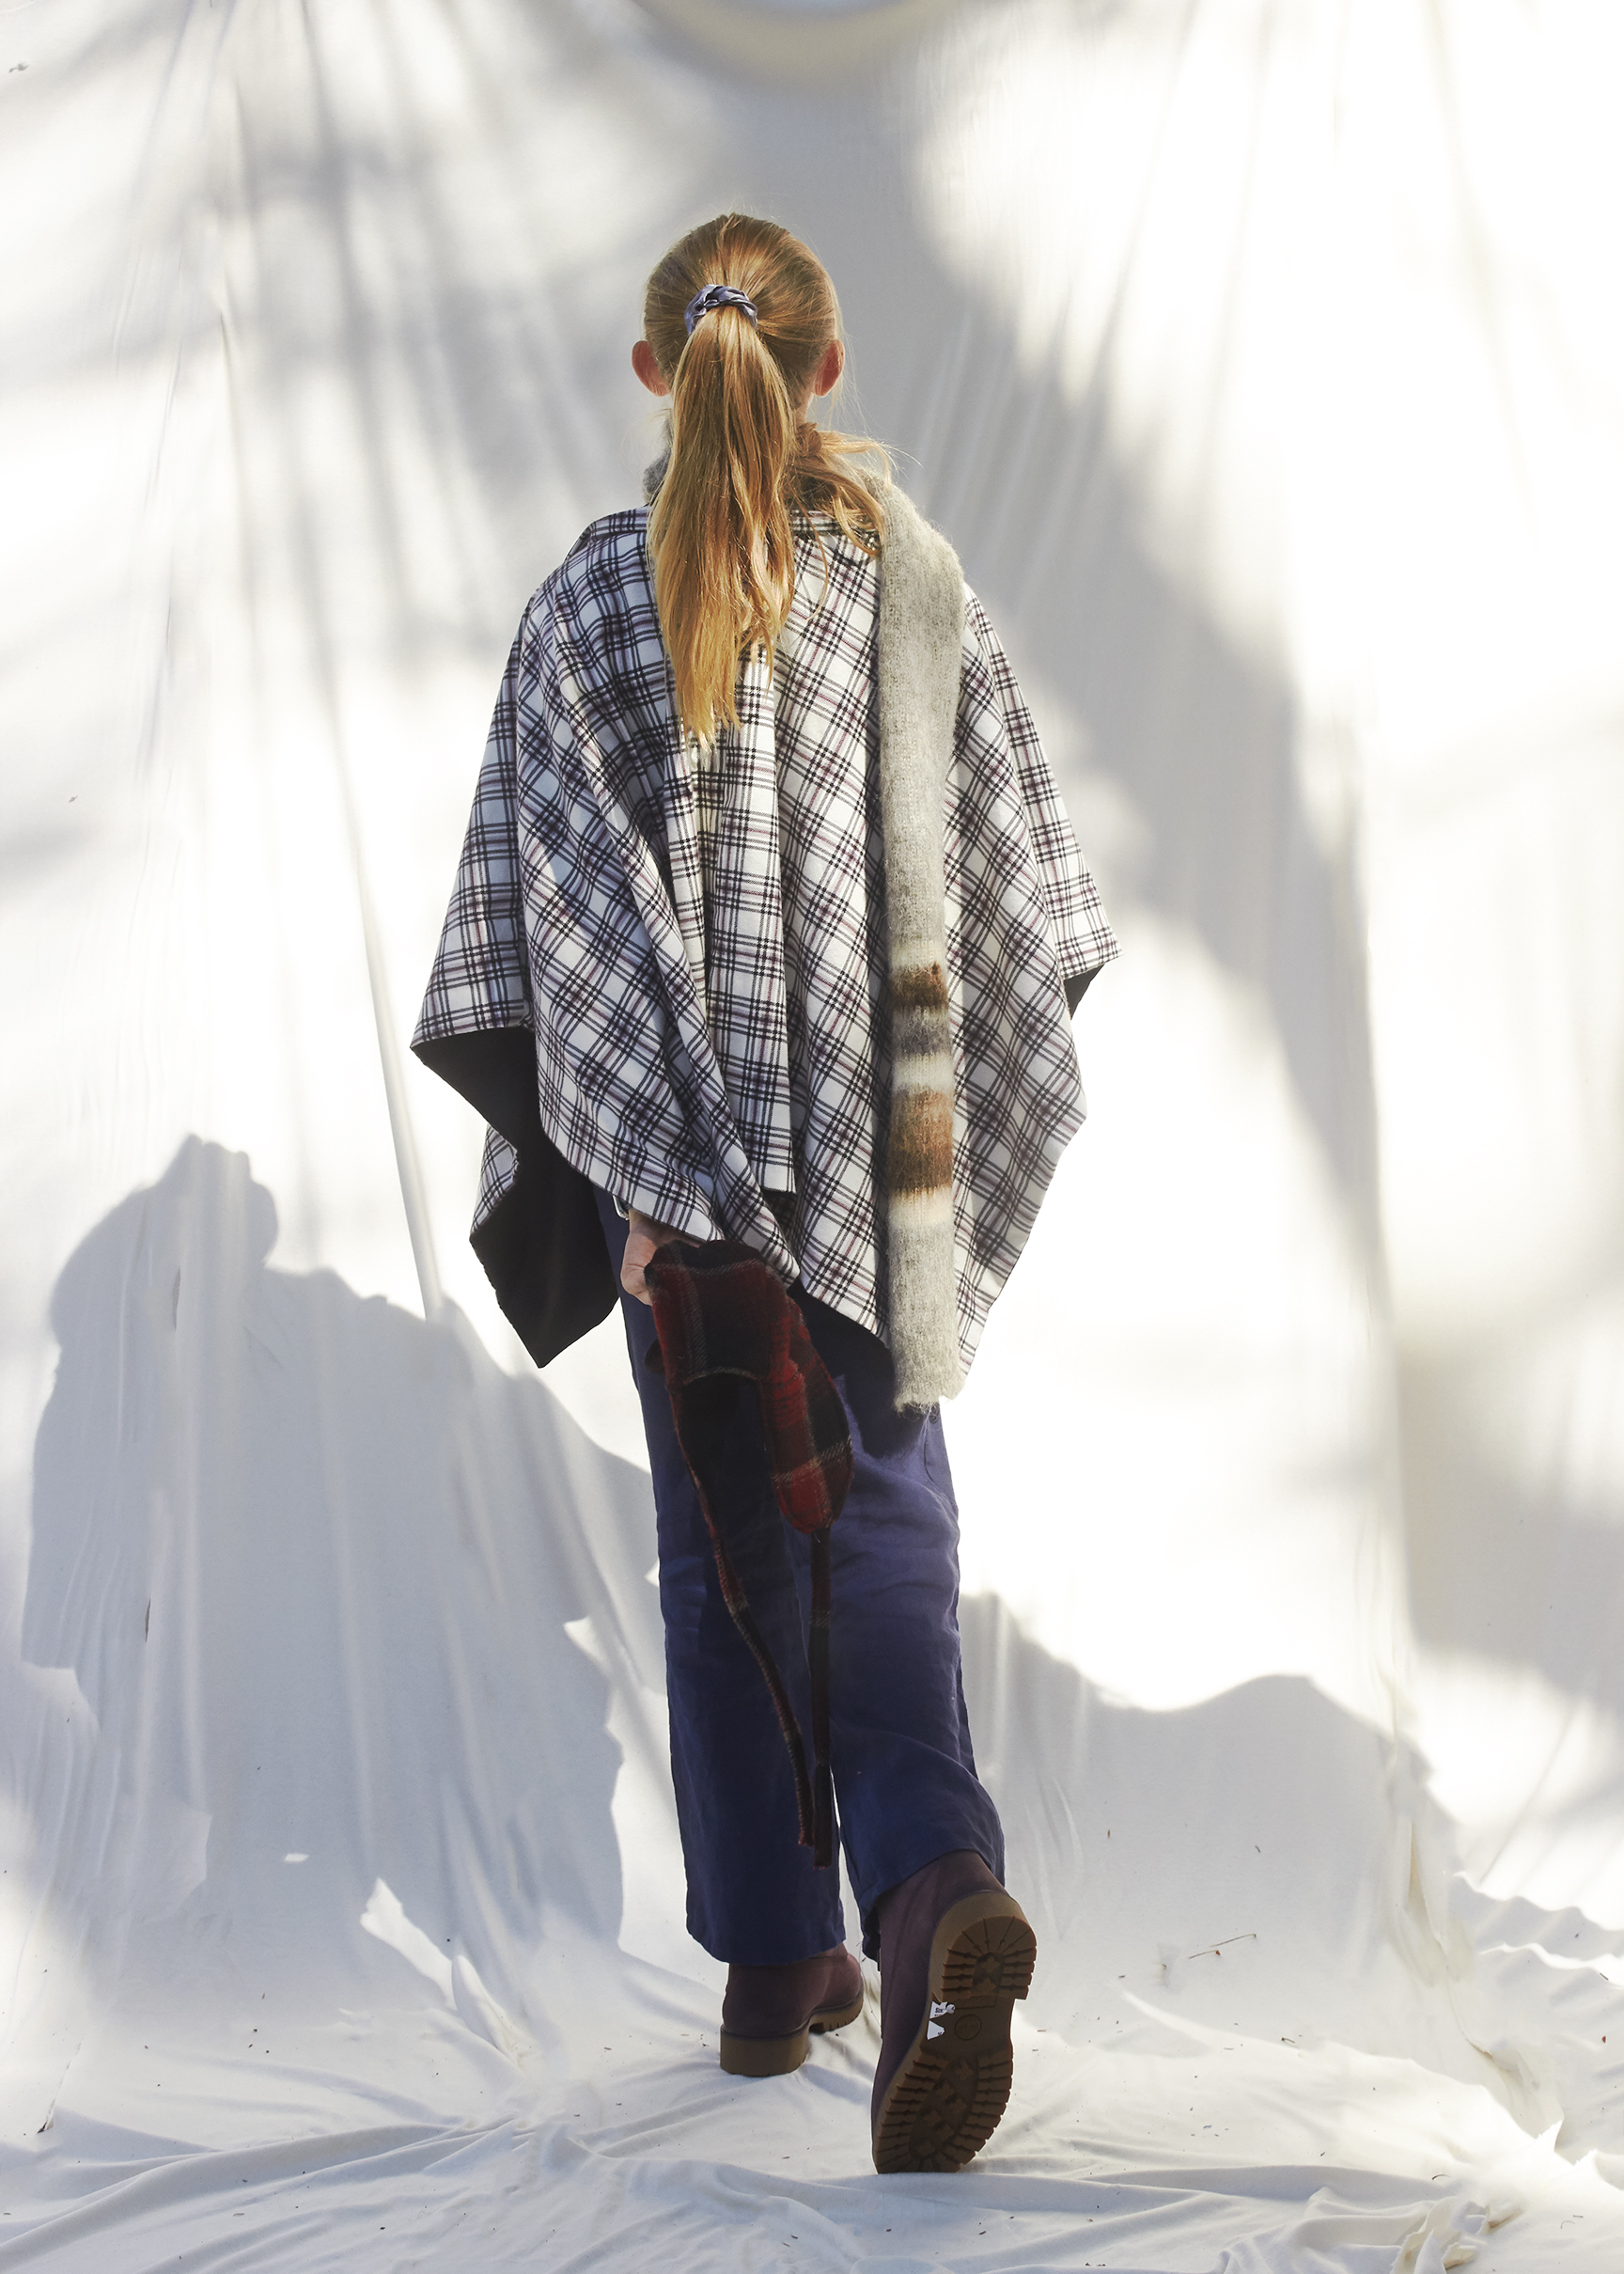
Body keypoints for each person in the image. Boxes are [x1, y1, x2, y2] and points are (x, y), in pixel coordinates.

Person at [414, 212, 1117, 2173]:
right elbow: (1018, 903)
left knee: (729, 1571)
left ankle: (770, 1972)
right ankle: (922, 1903)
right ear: (824, 377)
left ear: (661, 373)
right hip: (875, 1199)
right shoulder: (914, 595)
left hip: (681, 1230)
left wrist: (649, 1182)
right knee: (880, 1546)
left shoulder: (581, 614)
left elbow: (552, 934)